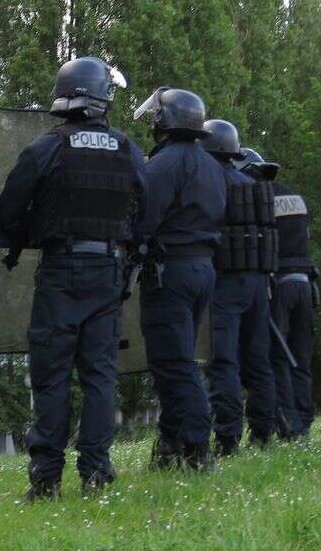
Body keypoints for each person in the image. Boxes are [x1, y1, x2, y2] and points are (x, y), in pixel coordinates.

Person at [0, 57, 146, 500]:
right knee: (100, 374)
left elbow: (7, 211)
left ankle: (46, 481)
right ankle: (97, 474)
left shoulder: (46, 147)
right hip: (109, 272)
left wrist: (32, 231)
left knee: (52, 375)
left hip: (61, 272)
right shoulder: (127, 149)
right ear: (102, 97)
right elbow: (148, 209)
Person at [133, 87, 226, 470]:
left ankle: (195, 448)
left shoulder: (163, 164)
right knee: (179, 358)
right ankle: (170, 446)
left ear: (162, 121)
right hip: (203, 268)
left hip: (169, 270)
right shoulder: (211, 165)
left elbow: (144, 219)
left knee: (173, 363)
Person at [200, 122, 277, 455]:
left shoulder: (210, 183)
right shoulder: (249, 183)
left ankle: (228, 438)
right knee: (258, 361)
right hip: (259, 282)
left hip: (225, 282)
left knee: (224, 362)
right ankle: (262, 432)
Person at [239, 148, 317, 439]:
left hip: (278, 284)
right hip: (306, 283)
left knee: (277, 357)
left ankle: (287, 423)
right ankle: (304, 422)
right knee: (301, 356)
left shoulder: (256, 200)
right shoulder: (294, 197)